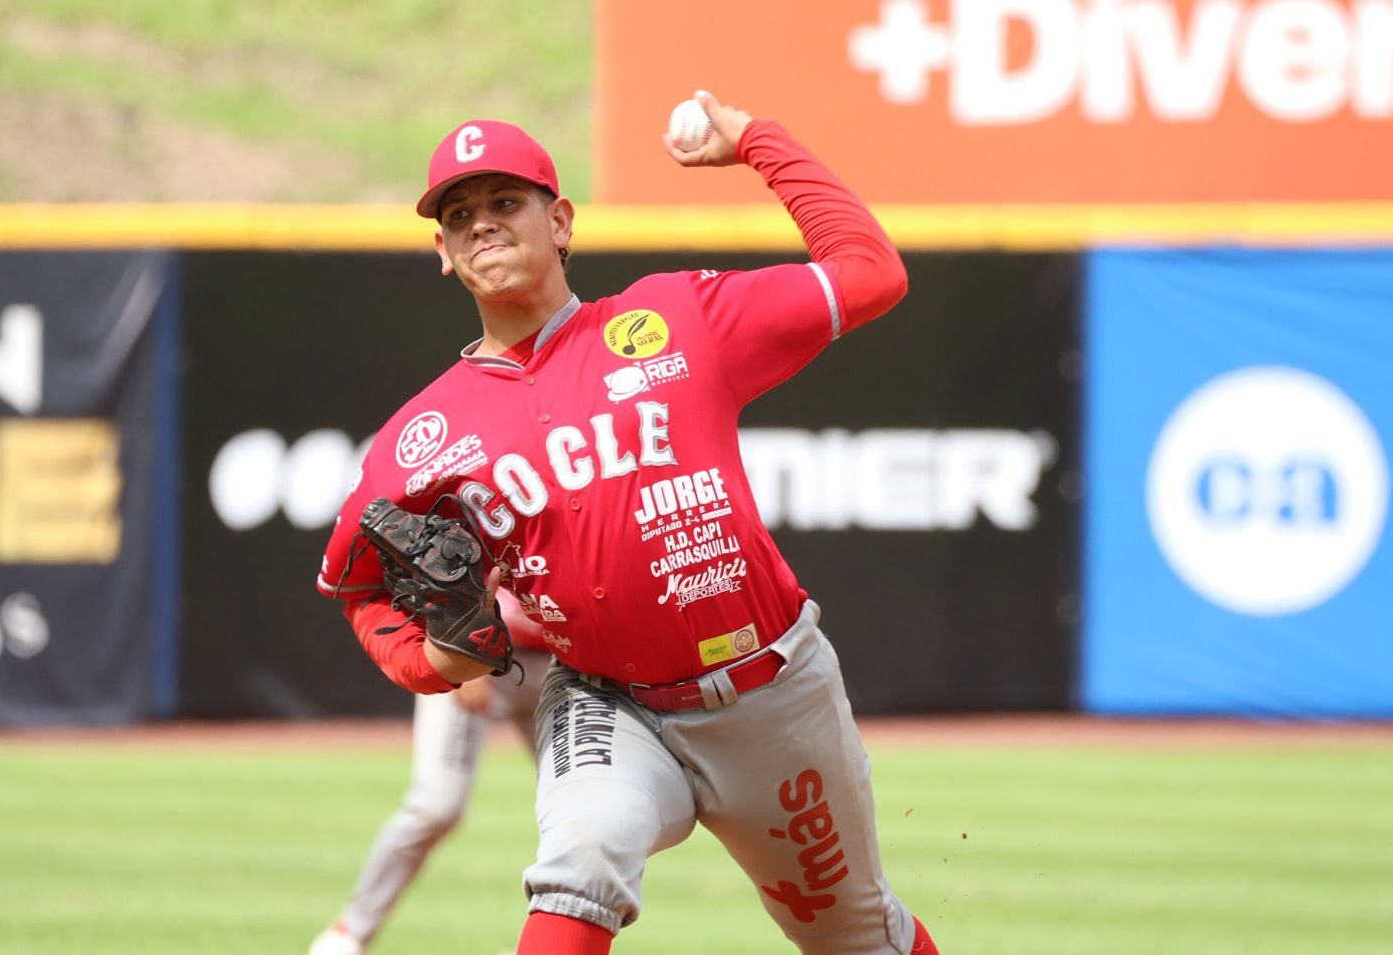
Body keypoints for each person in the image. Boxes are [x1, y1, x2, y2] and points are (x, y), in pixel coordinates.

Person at [317, 90, 940, 954]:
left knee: (857, 938)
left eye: (506, 202)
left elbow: (872, 272)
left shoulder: (679, 319)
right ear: (443, 253)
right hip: (606, 699)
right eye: (459, 215)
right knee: (581, 859)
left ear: (561, 220)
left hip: (770, 696)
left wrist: (760, 142)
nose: (483, 225)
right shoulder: (420, 438)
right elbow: (352, 584)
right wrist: (428, 659)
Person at [308, 590, 549, 955]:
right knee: (436, 806)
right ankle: (349, 932)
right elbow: (443, 566)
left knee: (578, 815)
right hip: (474, 653)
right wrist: (460, 652)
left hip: (563, 667)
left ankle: (542, 945)